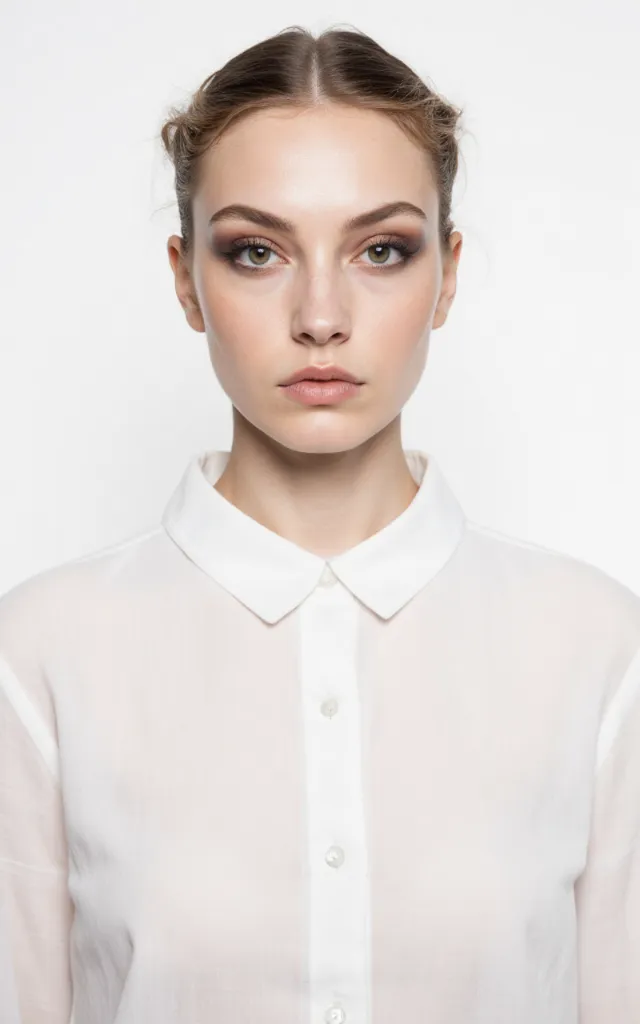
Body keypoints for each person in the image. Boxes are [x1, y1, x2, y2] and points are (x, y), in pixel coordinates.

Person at [1, 23, 639, 1024]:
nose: (321, 314)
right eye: (256, 251)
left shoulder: (597, 648)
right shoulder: (39, 655)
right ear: (184, 279)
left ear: (448, 274)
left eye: (381, 249)